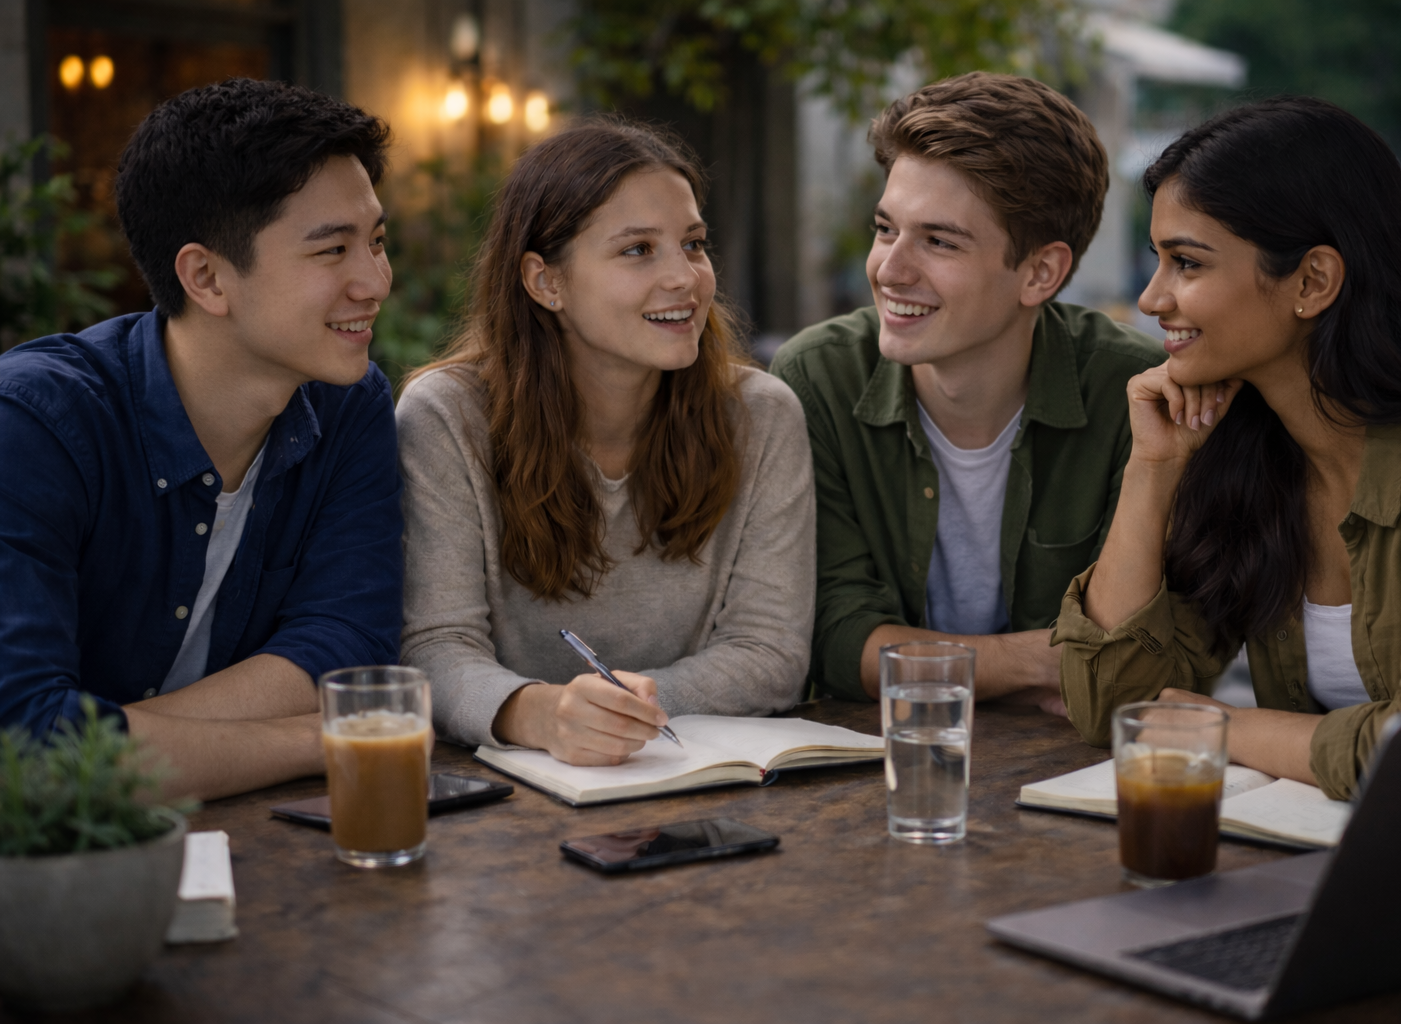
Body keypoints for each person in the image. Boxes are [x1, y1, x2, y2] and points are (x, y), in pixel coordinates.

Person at [1054, 97, 1401, 799]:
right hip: (1316, 865)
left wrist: (1225, 728)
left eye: (1186, 263)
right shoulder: (1238, 443)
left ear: (1312, 281)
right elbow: (1112, 707)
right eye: (1158, 260)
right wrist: (1152, 470)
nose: (1154, 298)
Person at [0, 79, 402, 799]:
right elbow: (20, 745)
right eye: (333, 250)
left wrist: (92, 749)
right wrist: (313, 740)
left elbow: (348, 646)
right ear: (207, 277)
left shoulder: (350, 402)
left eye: (376, 241)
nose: (375, 281)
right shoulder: (34, 422)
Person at [397, 118, 814, 766]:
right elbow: (434, 648)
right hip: (508, 809)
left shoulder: (760, 417)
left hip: (700, 782)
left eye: (694, 244)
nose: (686, 278)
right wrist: (540, 713)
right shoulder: (448, 418)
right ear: (545, 282)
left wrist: (622, 709)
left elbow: (772, 653)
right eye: (638, 250)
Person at [770, 72, 1163, 706]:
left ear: (1040, 272)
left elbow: (1145, 656)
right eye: (885, 228)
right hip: (874, 770)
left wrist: (913, 658)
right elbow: (836, 640)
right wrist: (1041, 660)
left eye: (939, 241)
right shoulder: (817, 378)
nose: (890, 270)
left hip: (1074, 770)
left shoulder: (1132, 393)